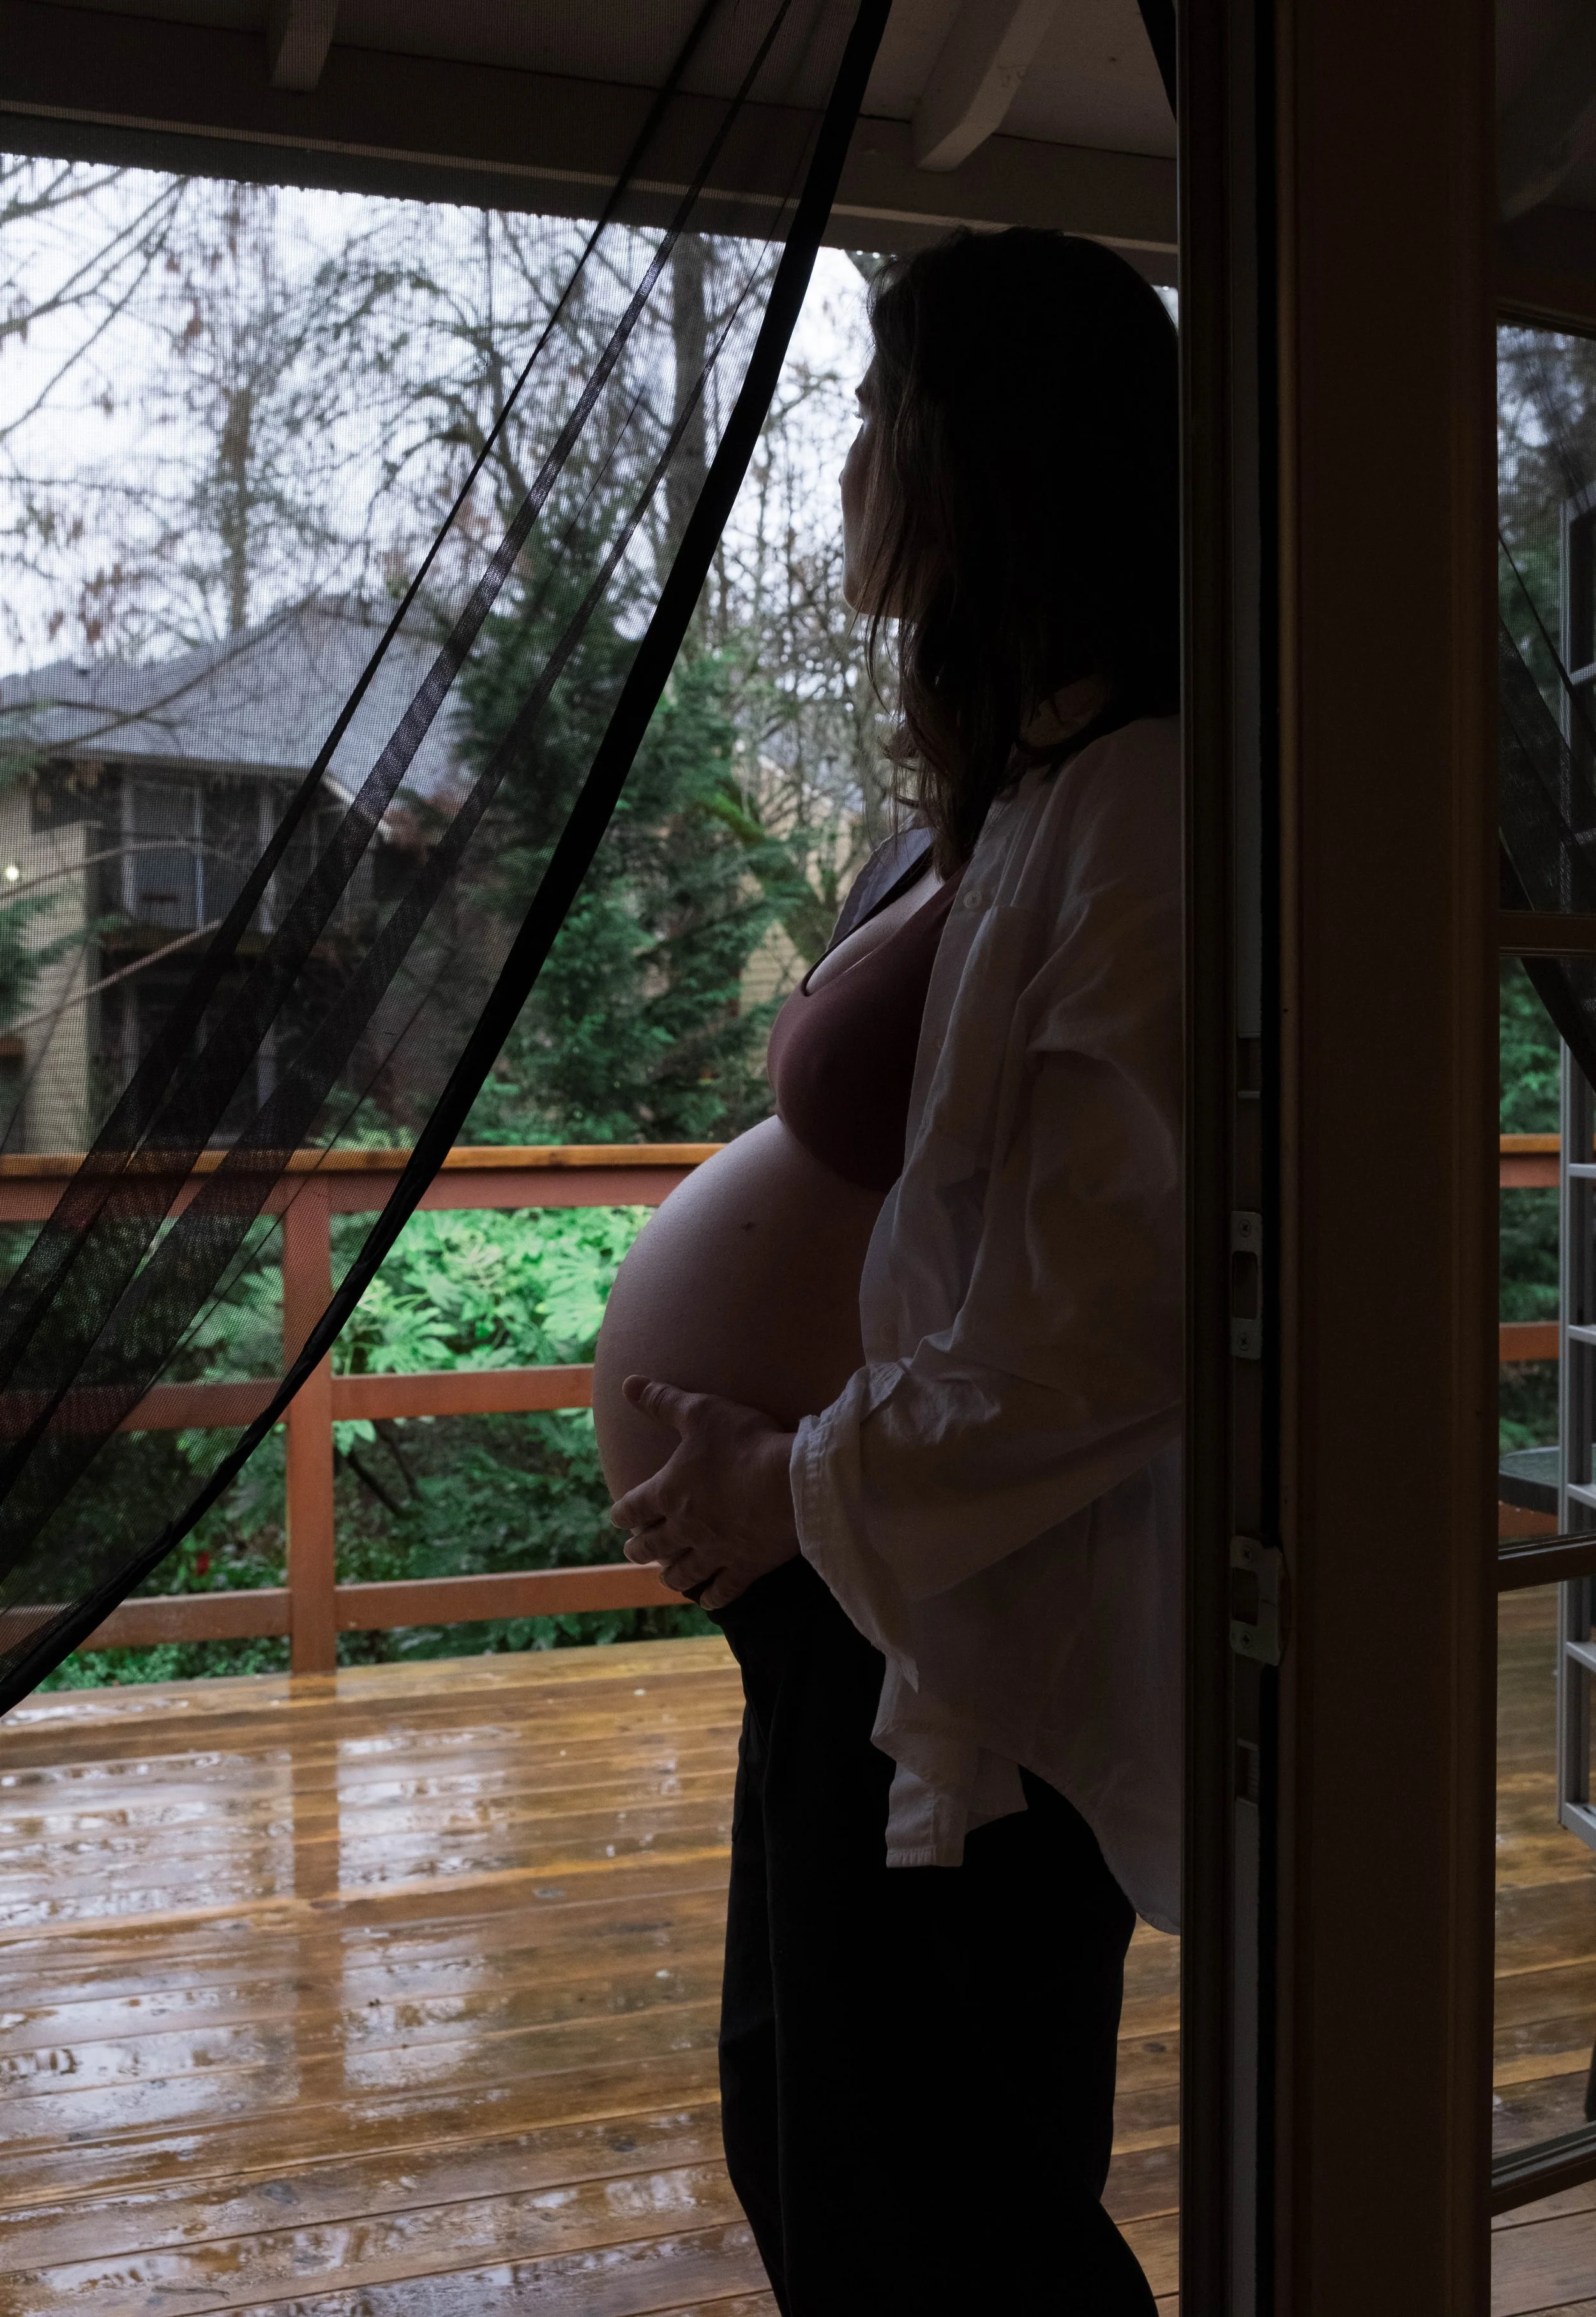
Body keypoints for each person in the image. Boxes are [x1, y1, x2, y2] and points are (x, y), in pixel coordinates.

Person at [593, 227, 1180, 2316]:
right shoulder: (1021, 784)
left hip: (951, 1615)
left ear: (989, 452)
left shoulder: (1137, 806)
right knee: (823, 2150)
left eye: (873, 411)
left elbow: (1103, 1322)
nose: (844, 465)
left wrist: (782, 1478)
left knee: (939, 2213)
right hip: (852, 1602)